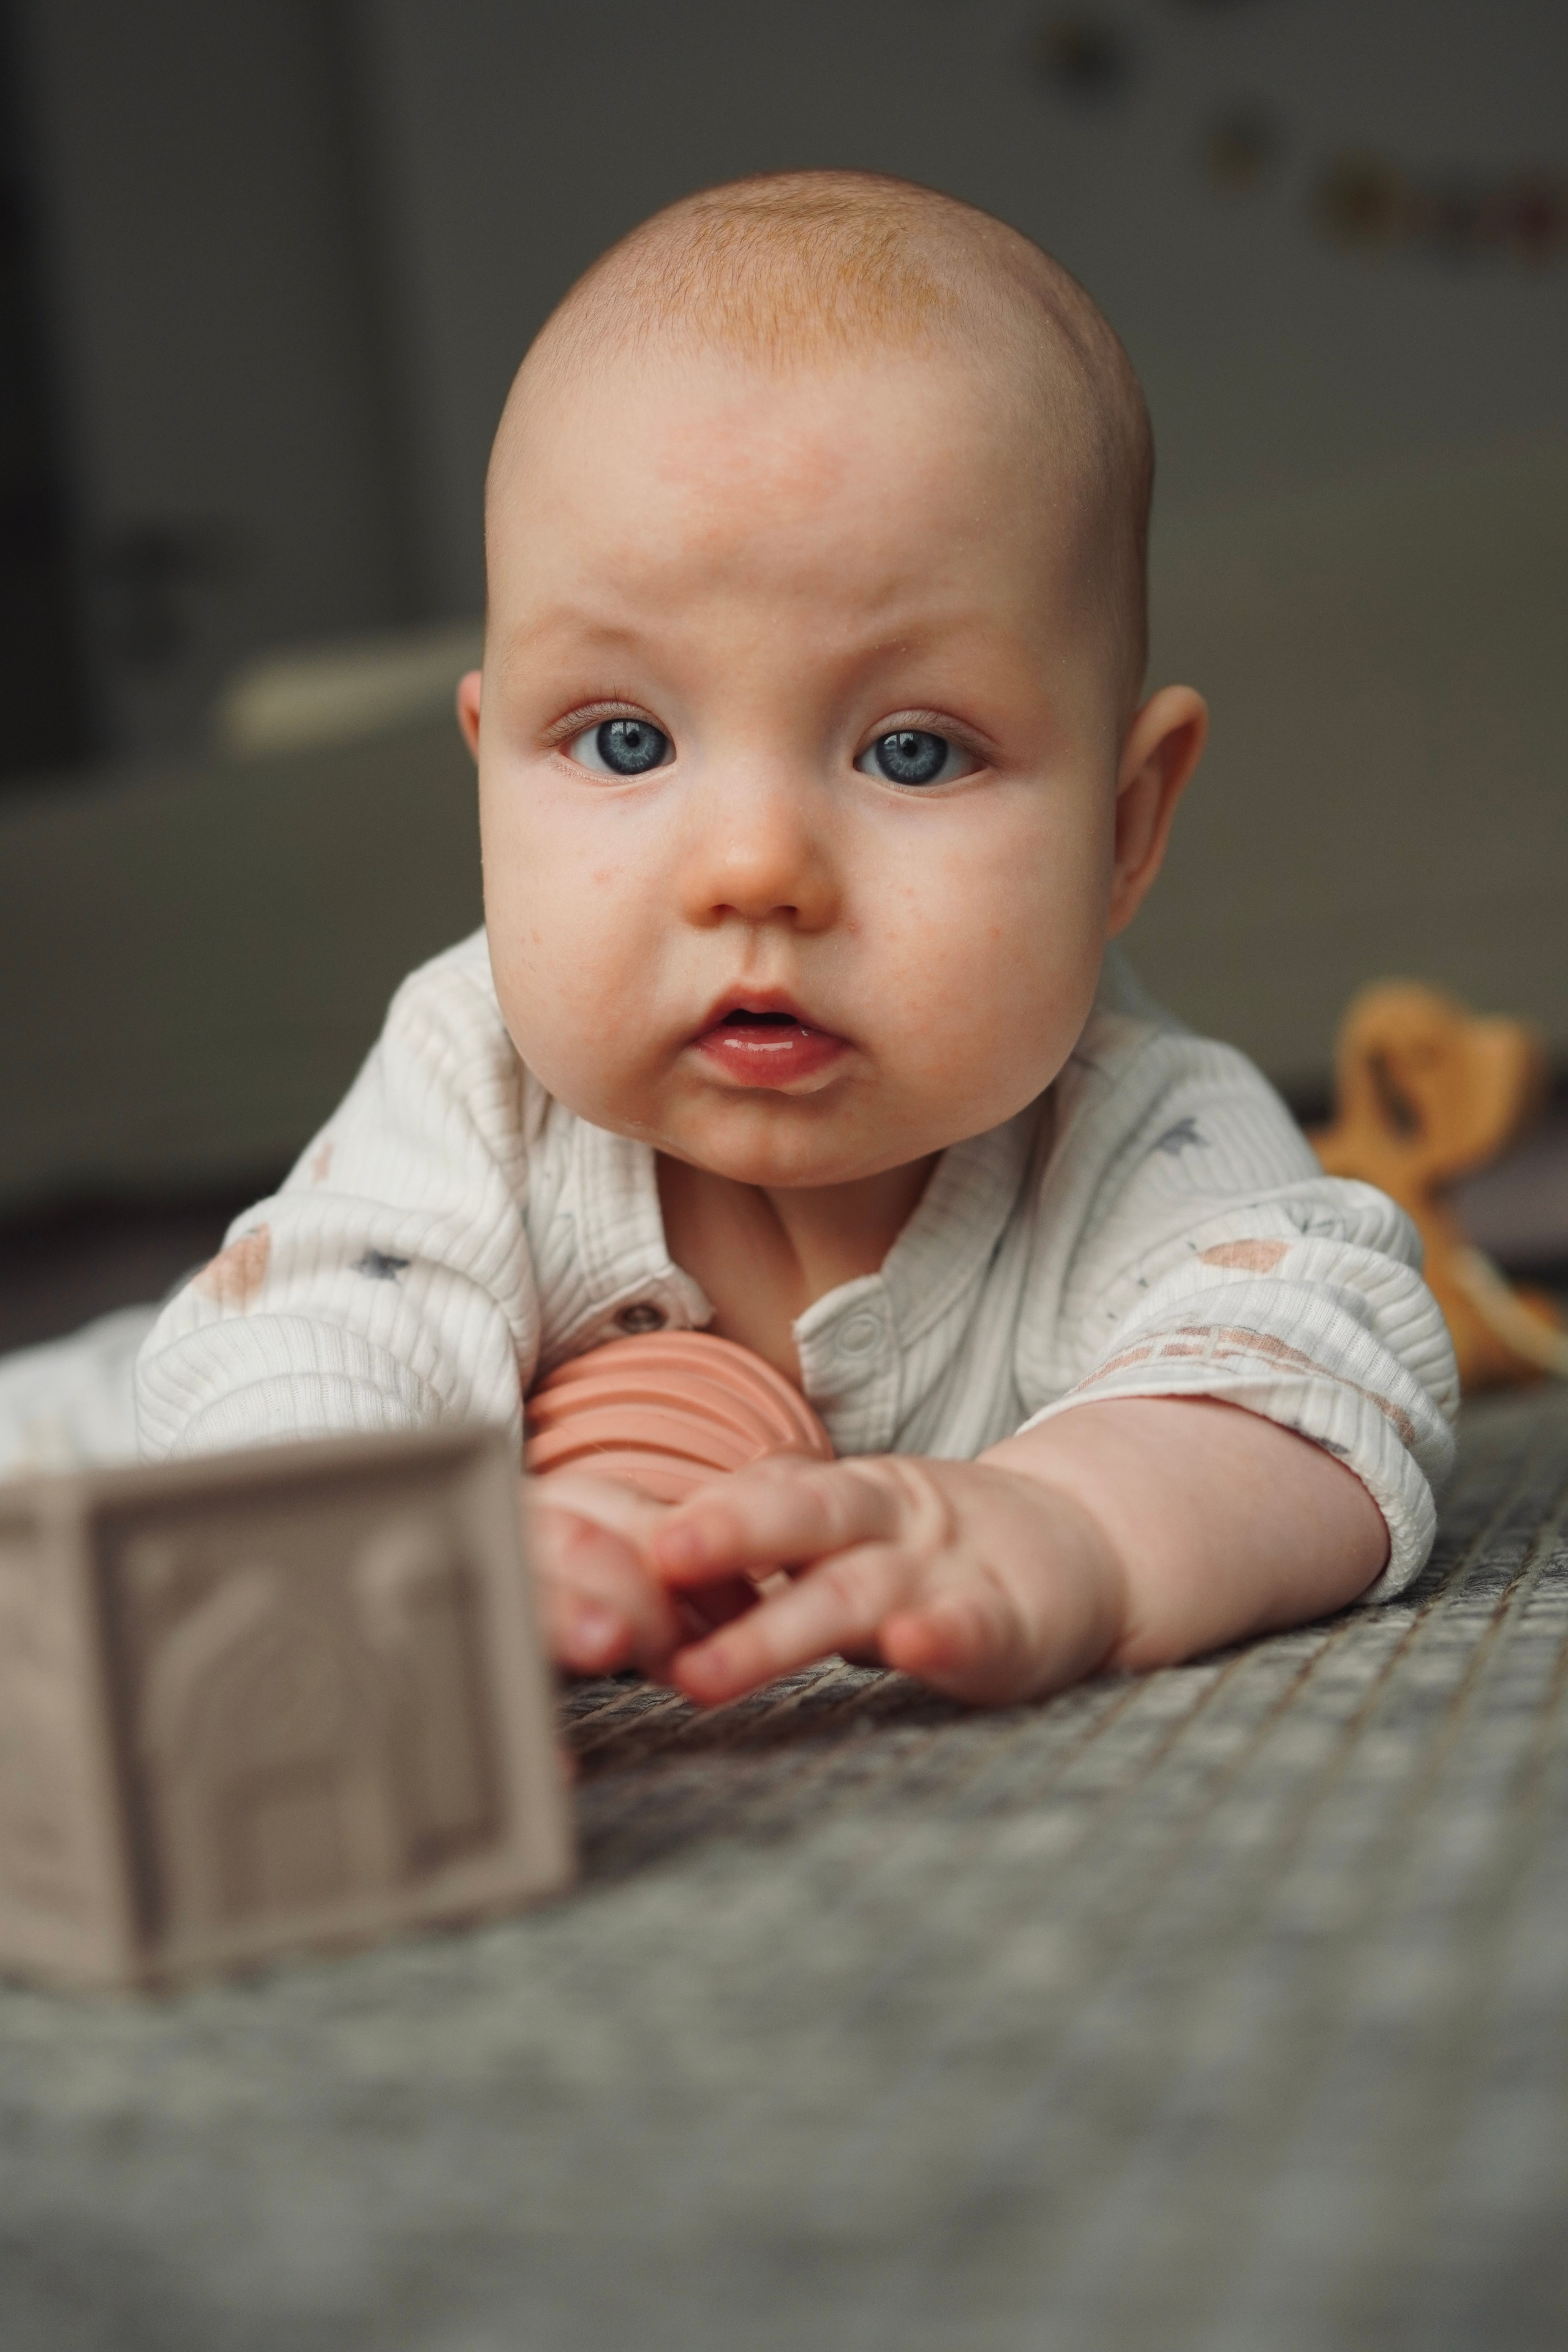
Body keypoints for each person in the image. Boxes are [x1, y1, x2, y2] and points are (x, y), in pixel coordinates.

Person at [136, 170, 1457, 1709]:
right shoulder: (472, 1075)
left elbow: (1324, 1370)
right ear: (485, 769)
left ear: (1122, 827)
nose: (754, 870)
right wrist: (394, 1561)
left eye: (910, 752)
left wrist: (1078, 1523)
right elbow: (303, 1341)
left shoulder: (1134, 1131)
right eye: (624, 741)